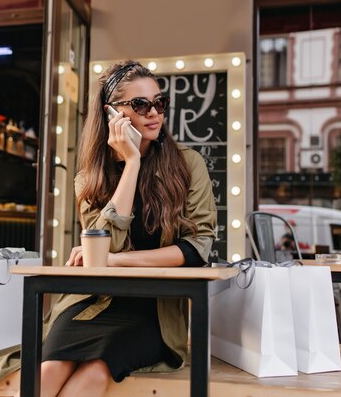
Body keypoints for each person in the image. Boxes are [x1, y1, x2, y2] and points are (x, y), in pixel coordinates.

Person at [19, 60, 217, 397]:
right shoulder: (89, 178)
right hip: (92, 301)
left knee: (95, 372)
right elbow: (102, 247)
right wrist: (132, 165)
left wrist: (119, 261)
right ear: (113, 113)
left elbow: (197, 248)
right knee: (48, 372)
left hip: (152, 312)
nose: (154, 112)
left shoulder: (188, 164)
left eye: (159, 102)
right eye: (140, 104)